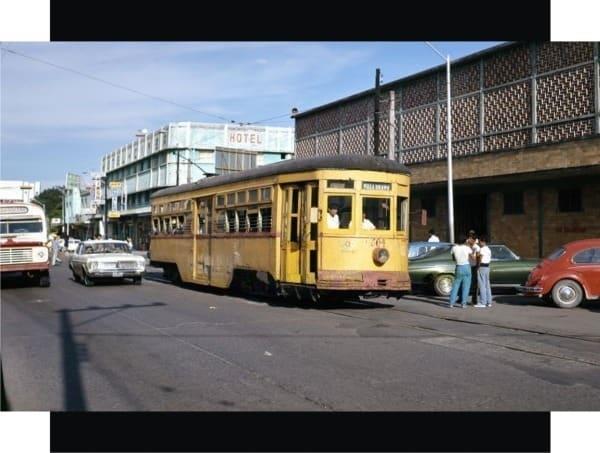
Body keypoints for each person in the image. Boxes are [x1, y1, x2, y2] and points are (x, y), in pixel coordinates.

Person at [448, 236, 474, 308]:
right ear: (465, 241)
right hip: (467, 266)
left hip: (459, 266)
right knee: (466, 286)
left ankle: (451, 303)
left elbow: (453, 258)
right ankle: (463, 304)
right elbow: (473, 257)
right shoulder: (467, 248)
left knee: (456, 285)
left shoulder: (454, 248)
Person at [475, 235, 493, 308]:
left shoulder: (482, 249)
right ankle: (489, 302)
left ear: (482, 242)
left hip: (482, 266)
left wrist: (477, 266)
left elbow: (480, 258)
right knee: (487, 285)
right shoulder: (488, 249)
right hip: (487, 267)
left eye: (479, 242)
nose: (479, 243)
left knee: (482, 284)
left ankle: (483, 302)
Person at [467, 231, 481, 305]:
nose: (469, 240)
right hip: (468, 266)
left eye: (470, 238)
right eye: (469, 238)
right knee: (467, 283)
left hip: (474, 267)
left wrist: (478, 266)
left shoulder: (477, 248)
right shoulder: (467, 246)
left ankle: (474, 300)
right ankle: (462, 299)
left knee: (474, 284)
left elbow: (477, 258)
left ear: (474, 240)